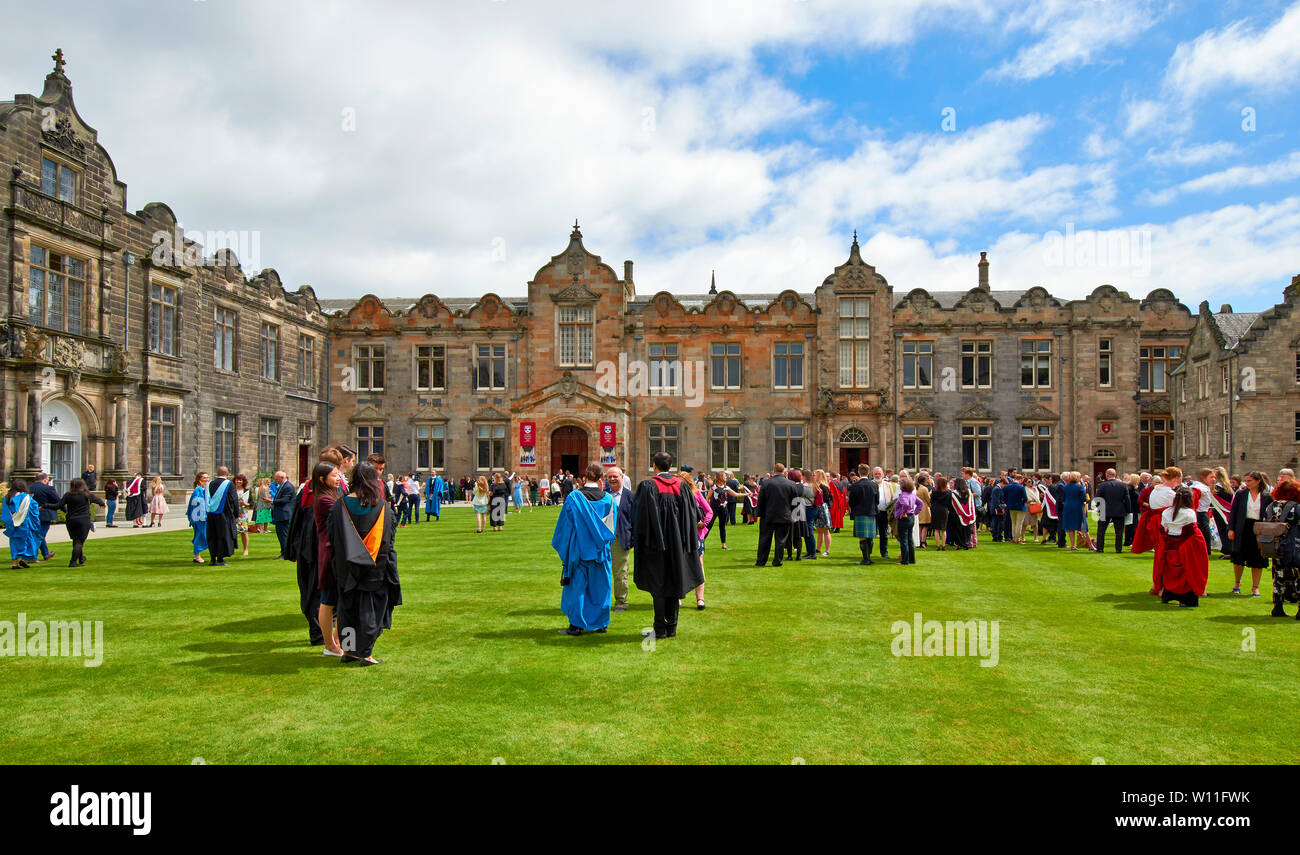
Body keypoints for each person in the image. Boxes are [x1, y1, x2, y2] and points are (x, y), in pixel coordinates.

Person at [328, 461, 402, 665]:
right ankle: (366, 653)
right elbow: (388, 539)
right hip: (374, 568)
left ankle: (350, 651)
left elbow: (332, 536)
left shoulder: (339, 506)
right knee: (371, 610)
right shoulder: (382, 507)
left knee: (347, 610)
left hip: (346, 568)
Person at [633, 451, 703, 640]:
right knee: (674, 582)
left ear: (654, 466)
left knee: (658, 586)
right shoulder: (682, 486)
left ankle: (660, 628)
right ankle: (672, 627)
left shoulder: (648, 486)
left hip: (655, 546)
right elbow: (696, 516)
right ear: (670, 466)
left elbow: (639, 518)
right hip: (679, 546)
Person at [553, 463, 618, 636]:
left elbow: (565, 528)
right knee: (601, 587)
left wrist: (566, 551)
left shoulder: (574, 498)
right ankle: (601, 623)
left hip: (579, 551)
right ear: (601, 477)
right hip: (600, 552)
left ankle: (576, 625)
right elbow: (612, 529)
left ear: (584, 477)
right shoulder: (609, 500)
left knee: (577, 588)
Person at [313, 459, 347, 657]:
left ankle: (335, 640)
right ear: (321, 478)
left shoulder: (330, 495)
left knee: (337, 599)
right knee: (328, 600)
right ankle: (329, 644)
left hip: (335, 552)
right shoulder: (325, 500)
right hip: (330, 553)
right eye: (334, 475)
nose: (338, 478)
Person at [1156, 486, 1209, 607]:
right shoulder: (1189, 513)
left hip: (1170, 544)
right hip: (1185, 545)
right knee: (1188, 571)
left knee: (1170, 571)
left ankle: (1168, 595)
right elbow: (1191, 531)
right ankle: (1185, 599)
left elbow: (1163, 529)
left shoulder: (1166, 512)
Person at [1227, 471, 1271, 598]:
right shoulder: (1241, 494)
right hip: (1243, 526)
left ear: (1258, 481)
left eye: (1249, 480)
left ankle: (1255, 587)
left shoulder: (1266, 496)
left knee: (1258, 558)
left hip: (1258, 527)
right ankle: (1237, 583)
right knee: (1239, 556)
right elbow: (1233, 512)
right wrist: (1231, 529)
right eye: (1245, 480)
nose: (1247, 483)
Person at [1267, 477, 1300, 617]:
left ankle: (1278, 606)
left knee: (1278, 575)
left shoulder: (1271, 506)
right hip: (1294, 546)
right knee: (1298, 576)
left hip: (1275, 546)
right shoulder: (1296, 507)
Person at [680, 467, 712, 609]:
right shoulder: (675, 496)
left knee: (699, 564)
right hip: (680, 535)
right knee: (679, 565)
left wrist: (703, 523)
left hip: (696, 535)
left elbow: (709, 511)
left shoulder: (696, 493)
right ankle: (678, 597)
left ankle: (700, 599)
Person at [755, 463, 799, 567]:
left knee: (764, 539)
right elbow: (796, 501)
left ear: (774, 470)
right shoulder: (791, 484)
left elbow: (761, 500)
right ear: (784, 471)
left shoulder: (766, 483)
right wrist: (794, 515)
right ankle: (777, 561)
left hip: (768, 516)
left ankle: (761, 561)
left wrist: (759, 513)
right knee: (781, 540)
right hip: (784, 515)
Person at [606, 466, 635, 613]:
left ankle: (621, 602)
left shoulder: (630, 497)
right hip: (603, 540)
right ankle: (601, 602)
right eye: (609, 477)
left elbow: (635, 520)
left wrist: (632, 539)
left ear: (622, 477)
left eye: (615, 476)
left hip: (620, 539)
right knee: (602, 572)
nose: (612, 479)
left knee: (620, 572)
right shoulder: (603, 495)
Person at [205, 466, 242, 567]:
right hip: (224, 515)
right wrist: (236, 515)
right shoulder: (229, 484)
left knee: (212, 536)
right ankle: (220, 560)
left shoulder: (209, 484)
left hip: (211, 515)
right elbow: (234, 500)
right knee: (222, 536)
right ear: (227, 474)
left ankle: (212, 559)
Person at [3, 479, 41, 568]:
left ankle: (14, 563)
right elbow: (34, 507)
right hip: (25, 524)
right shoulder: (26, 497)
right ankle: (24, 560)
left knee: (14, 543)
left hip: (13, 525)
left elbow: (5, 512)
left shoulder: (7, 497)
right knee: (27, 542)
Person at [847, 463, 879, 564]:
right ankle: (869, 558)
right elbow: (877, 500)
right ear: (869, 473)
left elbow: (851, 501)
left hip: (860, 513)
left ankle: (866, 559)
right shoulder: (874, 485)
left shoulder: (855, 486)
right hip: (871, 513)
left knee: (862, 537)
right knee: (870, 537)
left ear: (859, 473)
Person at [1094, 469, 1130, 554]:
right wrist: (1128, 510)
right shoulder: (1122, 485)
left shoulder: (1102, 485)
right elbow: (1127, 499)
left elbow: (1097, 498)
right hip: (1119, 510)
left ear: (1107, 475)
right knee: (1119, 531)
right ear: (1115, 474)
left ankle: (1100, 548)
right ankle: (1118, 549)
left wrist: (1100, 509)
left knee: (1101, 531)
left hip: (1104, 510)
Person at [28, 473, 60, 562]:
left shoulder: (29, 488)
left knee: (39, 534)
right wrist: (66, 512)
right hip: (45, 514)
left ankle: (45, 554)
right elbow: (58, 501)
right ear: (45, 480)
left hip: (31, 515)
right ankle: (32, 557)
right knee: (39, 535)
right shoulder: (48, 488)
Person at [893, 477, 922, 564]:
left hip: (904, 519)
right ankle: (911, 559)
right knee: (909, 539)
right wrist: (915, 512)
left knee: (904, 540)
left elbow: (905, 504)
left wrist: (903, 512)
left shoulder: (903, 495)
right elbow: (921, 503)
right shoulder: (912, 495)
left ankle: (905, 560)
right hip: (911, 518)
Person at [1210, 466, 1234, 560]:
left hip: (1220, 512)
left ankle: (1227, 552)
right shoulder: (1228, 487)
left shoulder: (1217, 488)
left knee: (1223, 531)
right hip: (1228, 511)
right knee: (1227, 530)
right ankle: (1229, 550)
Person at [1059, 471, 1087, 550]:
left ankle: (1073, 545)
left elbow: (1063, 498)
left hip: (1067, 507)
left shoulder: (1066, 487)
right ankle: (1090, 545)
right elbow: (1084, 498)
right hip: (1077, 506)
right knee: (1083, 526)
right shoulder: (1080, 487)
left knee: (1070, 527)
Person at [271, 471, 295, 558]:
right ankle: (284, 551)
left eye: (277, 479)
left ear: (282, 478)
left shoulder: (288, 486)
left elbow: (285, 500)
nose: (276, 481)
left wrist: (272, 501)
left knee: (284, 534)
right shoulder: (283, 486)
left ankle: (286, 553)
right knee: (281, 534)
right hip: (280, 514)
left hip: (285, 514)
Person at [188, 472, 210, 564]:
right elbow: (195, 503)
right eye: (204, 477)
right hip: (199, 517)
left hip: (203, 516)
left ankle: (197, 555)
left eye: (207, 477)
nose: (206, 479)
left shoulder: (205, 489)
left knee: (201, 535)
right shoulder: (198, 490)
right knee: (200, 535)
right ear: (199, 479)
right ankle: (197, 556)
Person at [874, 468, 893, 559]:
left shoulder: (888, 485)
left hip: (884, 512)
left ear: (883, 474)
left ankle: (884, 552)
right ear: (873, 475)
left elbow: (892, 498)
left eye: (879, 473)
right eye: (876, 474)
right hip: (873, 512)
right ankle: (867, 553)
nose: (878, 475)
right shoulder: (871, 484)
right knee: (870, 533)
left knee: (884, 533)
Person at [232, 473, 252, 556]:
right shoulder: (232, 490)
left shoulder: (246, 491)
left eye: (240, 480)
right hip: (232, 513)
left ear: (243, 481)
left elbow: (251, 503)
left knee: (243, 532)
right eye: (237, 480)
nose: (238, 481)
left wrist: (245, 503)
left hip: (242, 514)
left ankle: (245, 549)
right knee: (231, 532)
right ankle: (231, 549)